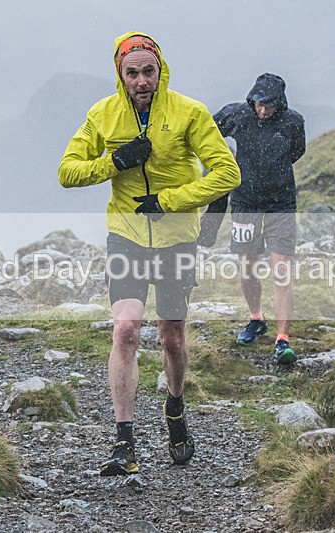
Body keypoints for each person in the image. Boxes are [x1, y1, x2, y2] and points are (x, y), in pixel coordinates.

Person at [58, 32, 240, 476]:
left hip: (177, 236)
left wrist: (170, 200)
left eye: (149, 71)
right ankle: (124, 442)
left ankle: (174, 408)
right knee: (125, 331)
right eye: (132, 73)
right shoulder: (102, 114)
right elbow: (67, 172)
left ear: (161, 70)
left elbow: (227, 173)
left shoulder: (188, 112)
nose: (142, 81)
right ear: (120, 75)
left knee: (171, 338)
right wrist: (114, 162)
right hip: (127, 235)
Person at [199, 73, 305, 366]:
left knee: (281, 271)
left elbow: (296, 152)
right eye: (257, 104)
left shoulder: (293, 122)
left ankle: (283, 339)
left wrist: (270, 172)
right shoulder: (238, 114)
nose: (261, 110)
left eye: (268, 106)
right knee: (247, 267)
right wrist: (221, 163)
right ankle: (256, 318)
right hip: (245, 201)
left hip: (281, 203)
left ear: (279, 102)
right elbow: (205, 131)